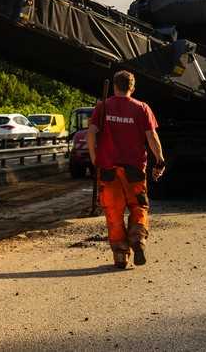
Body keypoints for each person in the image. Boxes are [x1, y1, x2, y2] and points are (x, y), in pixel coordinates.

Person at [87, 70, 165, 270]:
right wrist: (160, 160)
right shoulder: (142, 108)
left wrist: (95, 158)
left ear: (115, 86)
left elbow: (91, 134)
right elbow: (151, 137)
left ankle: (121, 256)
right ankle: (138, 240)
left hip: (108, 168)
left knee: (113, 212)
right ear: (132, 87)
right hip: (134, 169)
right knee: (139, 207)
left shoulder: (102, 107)